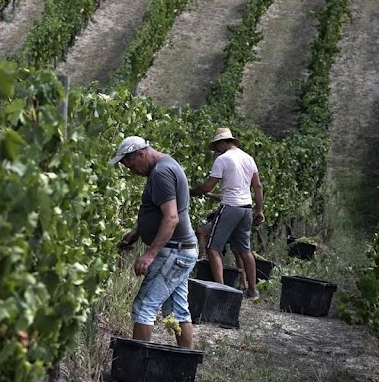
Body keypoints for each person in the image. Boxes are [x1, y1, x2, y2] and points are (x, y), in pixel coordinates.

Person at [112, 136, 198, 349]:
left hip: (173, 252)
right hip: (182, 250)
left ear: (141, 153)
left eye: (132, 165)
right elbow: (162, 212)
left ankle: (136, 365)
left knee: (144, 307)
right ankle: (185, 365)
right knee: (178, 310)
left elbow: (171, 218)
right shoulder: (166, 167)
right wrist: (138, 231)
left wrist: (150, 254)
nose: (132, 171)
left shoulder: (161, 173)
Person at [189, 127, 265, 298]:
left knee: (212, 248)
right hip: (246, 209)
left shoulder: (223, 160)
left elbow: (208, 186)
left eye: (217, 146)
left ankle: (221, 291)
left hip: (229, 207)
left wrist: (191, 192)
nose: (216, 150)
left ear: (223, 142)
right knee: (245, 250)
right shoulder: (248, 158)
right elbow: (258, 186)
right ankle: (253, 290)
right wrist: (259, 210)